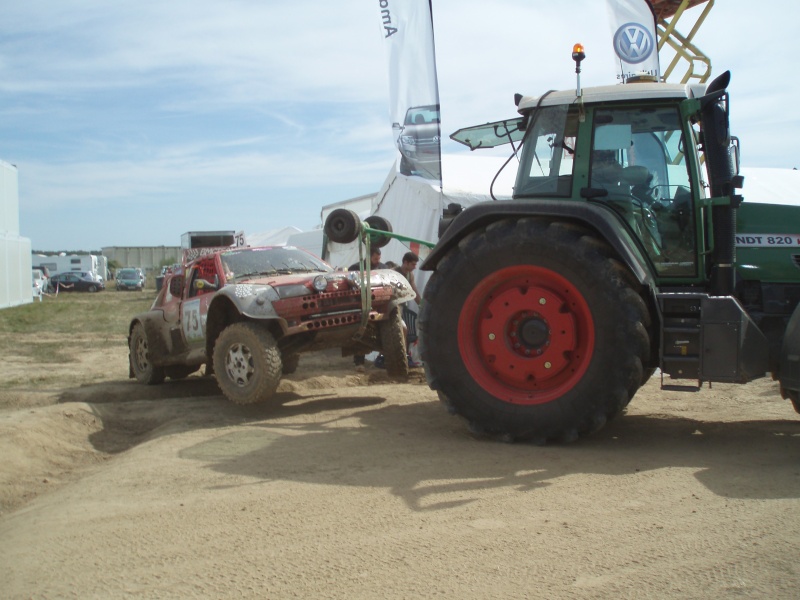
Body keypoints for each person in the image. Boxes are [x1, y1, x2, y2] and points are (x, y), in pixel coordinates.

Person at [348, 247, 387, 368]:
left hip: (379, 304)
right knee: (361, 332)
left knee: (383, 332)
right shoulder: (355, 268)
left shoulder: (383, 268)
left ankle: (384, 361)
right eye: (375, 258)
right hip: (361, 305)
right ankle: (359, 362)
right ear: (369, 256)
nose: (377, 261)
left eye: (379, 258)